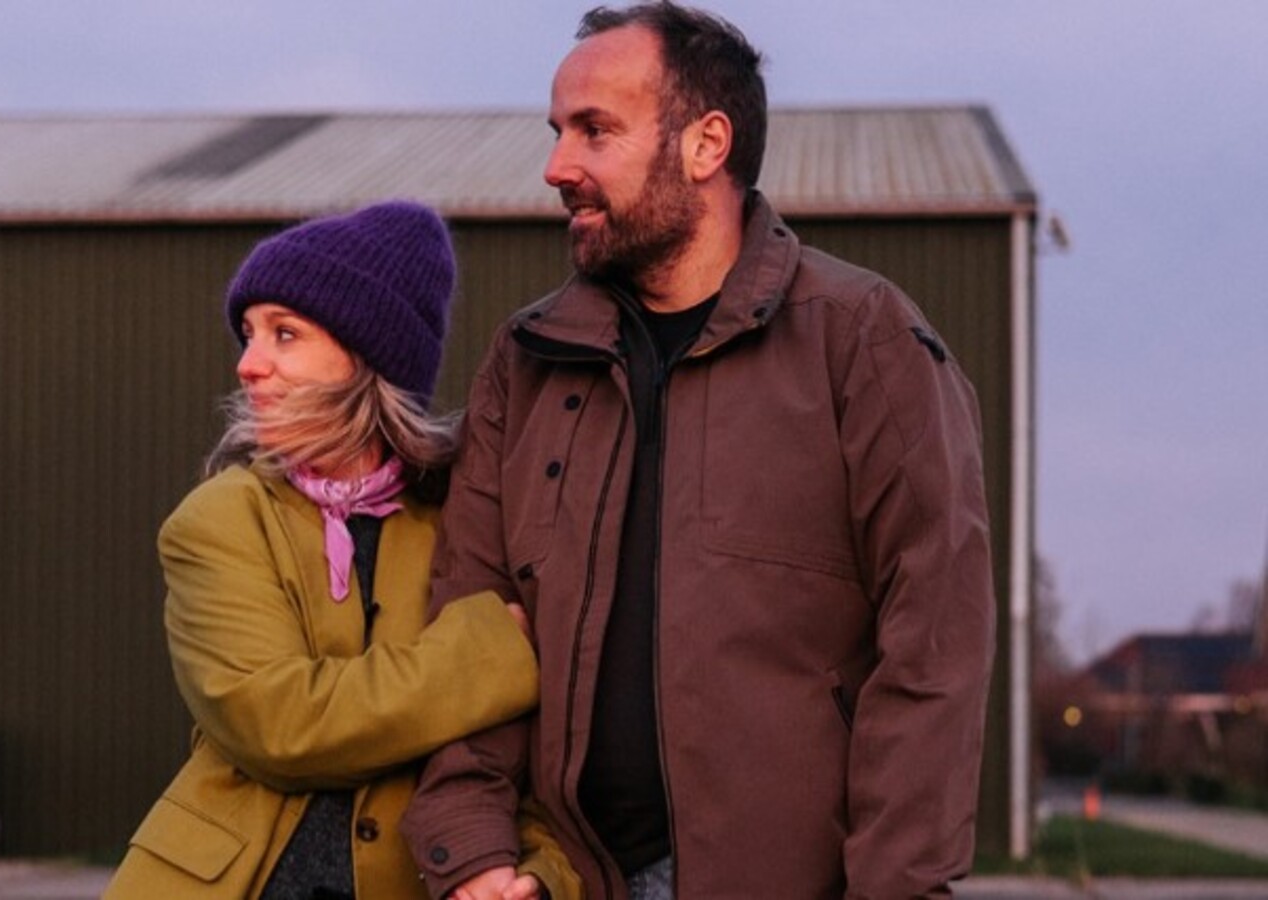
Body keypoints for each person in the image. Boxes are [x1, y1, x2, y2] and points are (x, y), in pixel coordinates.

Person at [399, 3, 997, 898]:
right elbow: (469, 626)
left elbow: (934, 644)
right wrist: (471, 847)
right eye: (559, 132)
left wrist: (895, 888)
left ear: (706, 143)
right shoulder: (525, 361)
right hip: (558, 878)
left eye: (595, 130)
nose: (557, 167)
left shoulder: (861, 340)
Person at [105, 201, 579, 900]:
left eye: (284, 334)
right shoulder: (219, 520)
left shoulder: (470, 524)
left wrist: (538, 874)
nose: (248, 364)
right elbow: (279, 723)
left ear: (367, 355)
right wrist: (490, 659)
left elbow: (528, 762)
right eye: (248, 335)